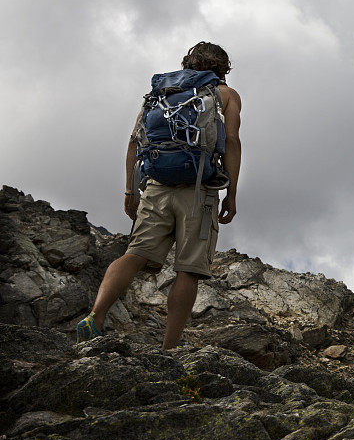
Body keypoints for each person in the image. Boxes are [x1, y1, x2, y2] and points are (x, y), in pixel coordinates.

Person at [76, 42, 242, 349]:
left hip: (157, 185)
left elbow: (133, 141)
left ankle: (96, 317)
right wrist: (231, 193)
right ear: (223, 68)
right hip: (199, 189)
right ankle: (168, 347)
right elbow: (230, 140)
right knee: (188, 269)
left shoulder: (161, 93)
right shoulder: (226, 95)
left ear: (187, 64)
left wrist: (130, 190)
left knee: (135, 254)